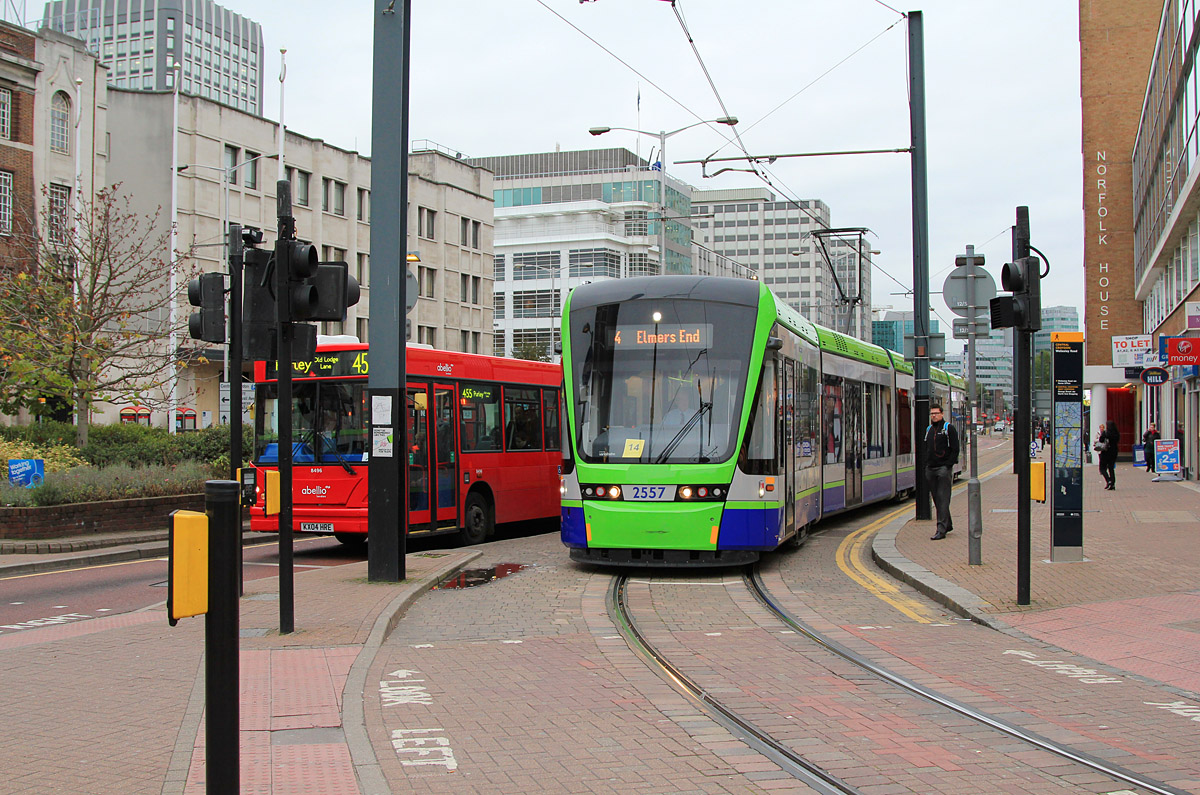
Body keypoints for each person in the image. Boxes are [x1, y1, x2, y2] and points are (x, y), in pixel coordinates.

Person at [924, 404, 960, 540]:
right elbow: (925, 447)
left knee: (943, 498)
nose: (933, 415)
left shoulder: (948, 428)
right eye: (932, 413)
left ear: (942, 414)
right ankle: (948, 524)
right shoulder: (929, 430)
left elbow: (955, 448)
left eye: (936, 413)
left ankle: (941, 529)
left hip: (943, 468)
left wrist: (948, 465)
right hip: (931, 468)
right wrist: (926, 464)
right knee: (937, 499)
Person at [1098, 420, 1120, 489]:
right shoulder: (1116, 433)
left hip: (1106, 452)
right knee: (1111, 468)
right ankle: (1112, 483)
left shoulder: (1105, 433)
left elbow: (1101, 440)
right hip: (1114, 451)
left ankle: (1108, 480)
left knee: (1102, 468)